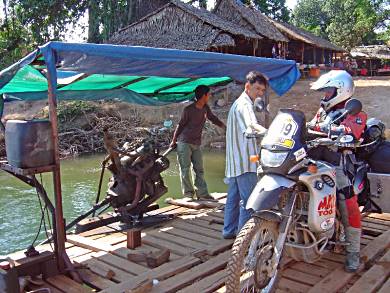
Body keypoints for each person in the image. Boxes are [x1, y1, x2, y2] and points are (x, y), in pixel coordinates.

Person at [307, 70, 367, 272]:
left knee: (347, 204)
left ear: (341, 91)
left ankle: (353, 253)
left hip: (340, 164)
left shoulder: (354, 111)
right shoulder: (323, 111)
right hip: (318, 160)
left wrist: (333, 130)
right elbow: (312, 125)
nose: (324, 95)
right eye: (324, 92)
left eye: (328, 91)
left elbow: (353, 131)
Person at [223, 71, 267, 239]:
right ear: (247, 86)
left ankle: (228, 231)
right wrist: (270, 133)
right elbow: (252, 125)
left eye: (262, 90)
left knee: (233, 199)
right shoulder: (245, 104)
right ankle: (244, 239)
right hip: (245, 162)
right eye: (257, 89)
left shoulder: (238, 103)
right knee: (249, 201)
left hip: (235, 161)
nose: (260, 93)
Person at [170, 85, 226, 200]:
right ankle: (188, 195)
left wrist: (225, 127)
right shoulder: (189, 110)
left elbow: (213, 118)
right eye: (209, 94)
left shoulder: (205, 108)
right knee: (185, 168)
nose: (210, 96)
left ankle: (202, 193)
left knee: (199, 169)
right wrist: (174, 140)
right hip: (184, 142)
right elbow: (180, 125)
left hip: (196, 142)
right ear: (204, 95)